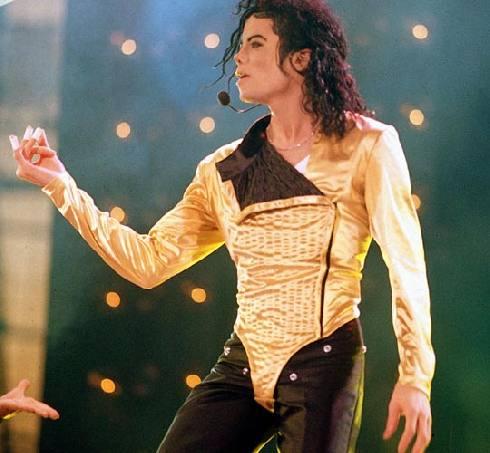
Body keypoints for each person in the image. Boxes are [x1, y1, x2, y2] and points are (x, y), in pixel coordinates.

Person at [9, 0, 435, 451]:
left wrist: (415, 376)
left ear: (301, 58)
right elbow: (148, 264)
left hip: (322, 362)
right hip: (243, 365)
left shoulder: (367, 145)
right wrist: (61, 186)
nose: (239, 57)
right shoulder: (223, 170)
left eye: (256, 44)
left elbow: (405, 265)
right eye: (240, 45)